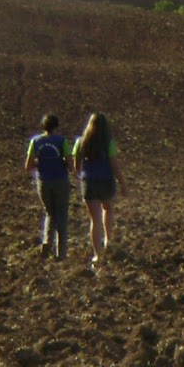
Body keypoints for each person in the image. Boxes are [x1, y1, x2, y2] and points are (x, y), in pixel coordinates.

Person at [73, 112, 122, 270]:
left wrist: (84, 175)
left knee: (94, 220)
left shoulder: (81, 142)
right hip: (106, 181)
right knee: (107, 208)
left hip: (89, 182)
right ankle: (108, 239)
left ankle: (97, 255)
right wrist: (123, 183)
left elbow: (76, 166)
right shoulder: (109, 143)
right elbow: (114, 165)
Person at [24, 113, 71, 260]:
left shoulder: (35, 142)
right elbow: (70, 164)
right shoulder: (62, 141)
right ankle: (61, 252)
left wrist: (40, 162)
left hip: (43, 181)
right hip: (60, 180)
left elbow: (28, 166)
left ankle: (46, 242)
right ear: (56, 126)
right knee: (61, 214)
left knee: (50, 212)